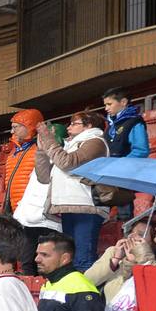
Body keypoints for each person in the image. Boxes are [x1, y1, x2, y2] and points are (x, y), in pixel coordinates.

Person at [35, 112, 109, 271]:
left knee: (83, 259)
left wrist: (50, 141)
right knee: (71, 260)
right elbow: (44, 177)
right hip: (68, 206)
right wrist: (42, 150)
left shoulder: (95, 141)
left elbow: (67, 163)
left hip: (86, 206)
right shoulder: (70, 146)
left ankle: (87, 295)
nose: (68, 127)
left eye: (74, 123)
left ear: (89, 125)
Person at [5, 108, 56, 275]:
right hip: (19, 209)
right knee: (25, 255)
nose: (12, 131)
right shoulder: (13, 153)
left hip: (38, 210)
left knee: (39, 255)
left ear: (30, 126)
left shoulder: (38, 150)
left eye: (16, 126)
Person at [101, 90, 149, 159]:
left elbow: (141, 151)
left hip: (127, 168)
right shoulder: (111, 126)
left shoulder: (134, 122)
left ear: (123, 102)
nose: (106, 108)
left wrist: (119, 165)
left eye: (109, 104)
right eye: (105, 105)